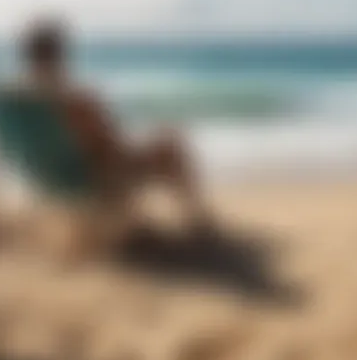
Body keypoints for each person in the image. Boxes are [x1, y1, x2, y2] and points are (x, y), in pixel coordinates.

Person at [21, 21, 213, 230]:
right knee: (171, 144)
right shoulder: (73, 99)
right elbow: (110, 142)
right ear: (60, 54)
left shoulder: (18, 101)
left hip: (53, 177)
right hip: (99, 177)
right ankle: (198, 221)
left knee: (162, 139)